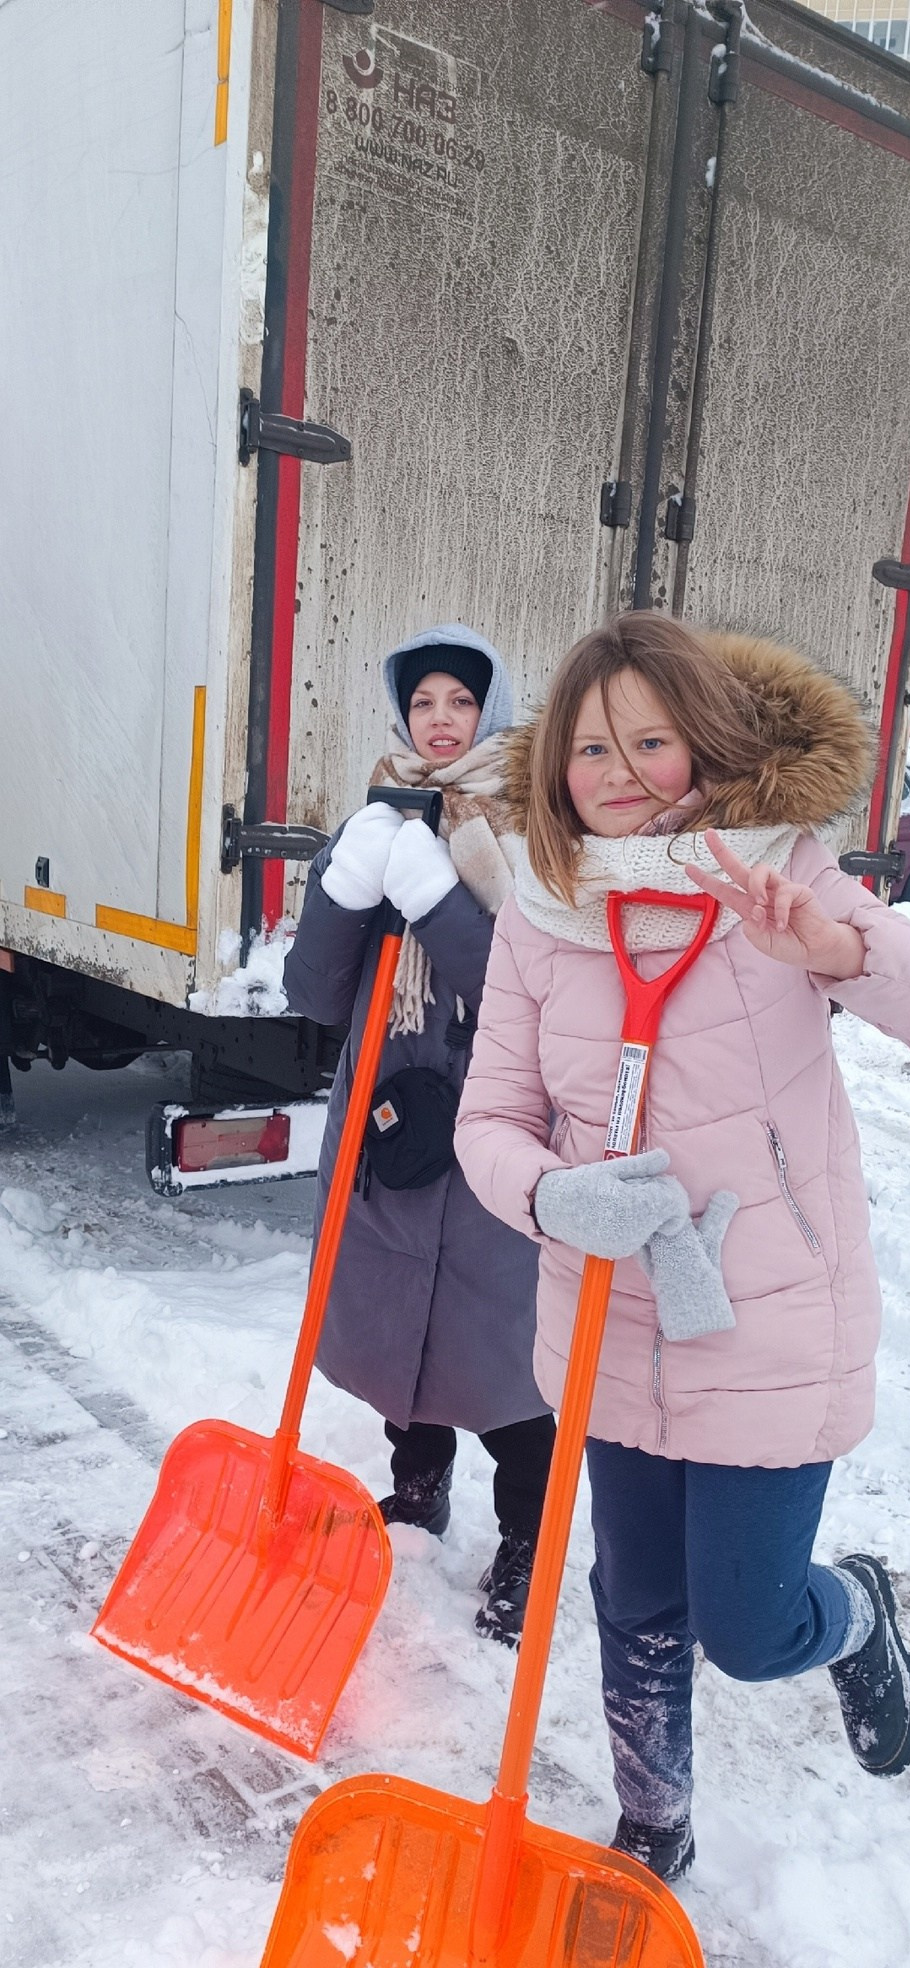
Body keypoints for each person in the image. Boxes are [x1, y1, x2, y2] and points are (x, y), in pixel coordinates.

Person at [454, 610, 910, 1877]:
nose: (620, 774)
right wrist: (545, 1198)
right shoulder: (540, 910)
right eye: (589, 750)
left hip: (768, 1319)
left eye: (652, 741)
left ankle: (852, 1620)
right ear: (552, 773)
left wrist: (839, 947)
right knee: (635, 1605)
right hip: (609, 1323)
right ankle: (654, 1822)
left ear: (707, 747)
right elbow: (494, 1118)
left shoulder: (781, 872)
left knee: (748, 1625)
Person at [283, 625, 555, 1644]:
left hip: (497, 1121)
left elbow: (517, 989)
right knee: (400, 1325)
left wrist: (435, 897)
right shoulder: (377, 813)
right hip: (390, 1118)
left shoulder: (534, 832)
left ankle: (526, 1537)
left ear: (494, 709)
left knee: (506, 1352)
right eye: (425, 702)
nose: (441, 721)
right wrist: (343, 888)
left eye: (462, 701)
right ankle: (420, 1486)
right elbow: (314, 994)